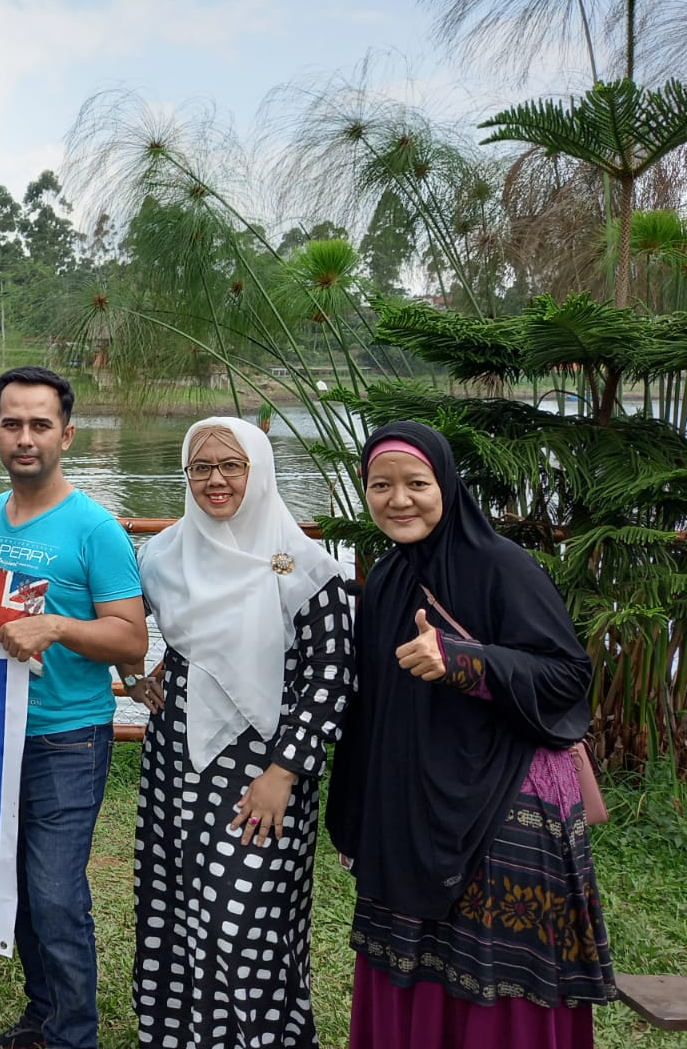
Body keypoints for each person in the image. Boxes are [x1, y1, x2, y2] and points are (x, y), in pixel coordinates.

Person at [326, 420, 616, 1047]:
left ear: (446, 486)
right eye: (380, 486)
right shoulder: (388, 579)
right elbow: (370, 708)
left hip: (502, 804)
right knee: (410, 959)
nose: (398, 500)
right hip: (410, 809)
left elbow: (568, 675)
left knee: (493, 967)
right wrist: (360, 816)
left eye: (416, 484)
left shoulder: (500, 565)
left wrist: (465, 661)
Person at [132, 417, 353, 1046]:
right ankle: (181, 1034)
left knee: (246, 914)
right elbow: (120, 618)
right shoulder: (163, 554)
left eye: (232, 465)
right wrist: (134, 675)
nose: (216, 480)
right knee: (176, 905)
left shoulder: (306, 568)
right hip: (176, 759)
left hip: (265, 764)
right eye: (201, 467)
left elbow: (331, 677)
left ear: (258, 470)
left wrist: (283, 773)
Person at [0, 366, 148, 1049]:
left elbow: (130, 638)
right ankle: (41, 1020)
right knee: (17, 891)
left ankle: (74, 1036)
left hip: (66, 736)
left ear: (65, 435)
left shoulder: (95, 529)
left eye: (40, 424)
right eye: (13, 423)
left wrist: (59, 627)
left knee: (56, 894)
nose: (25, 437)